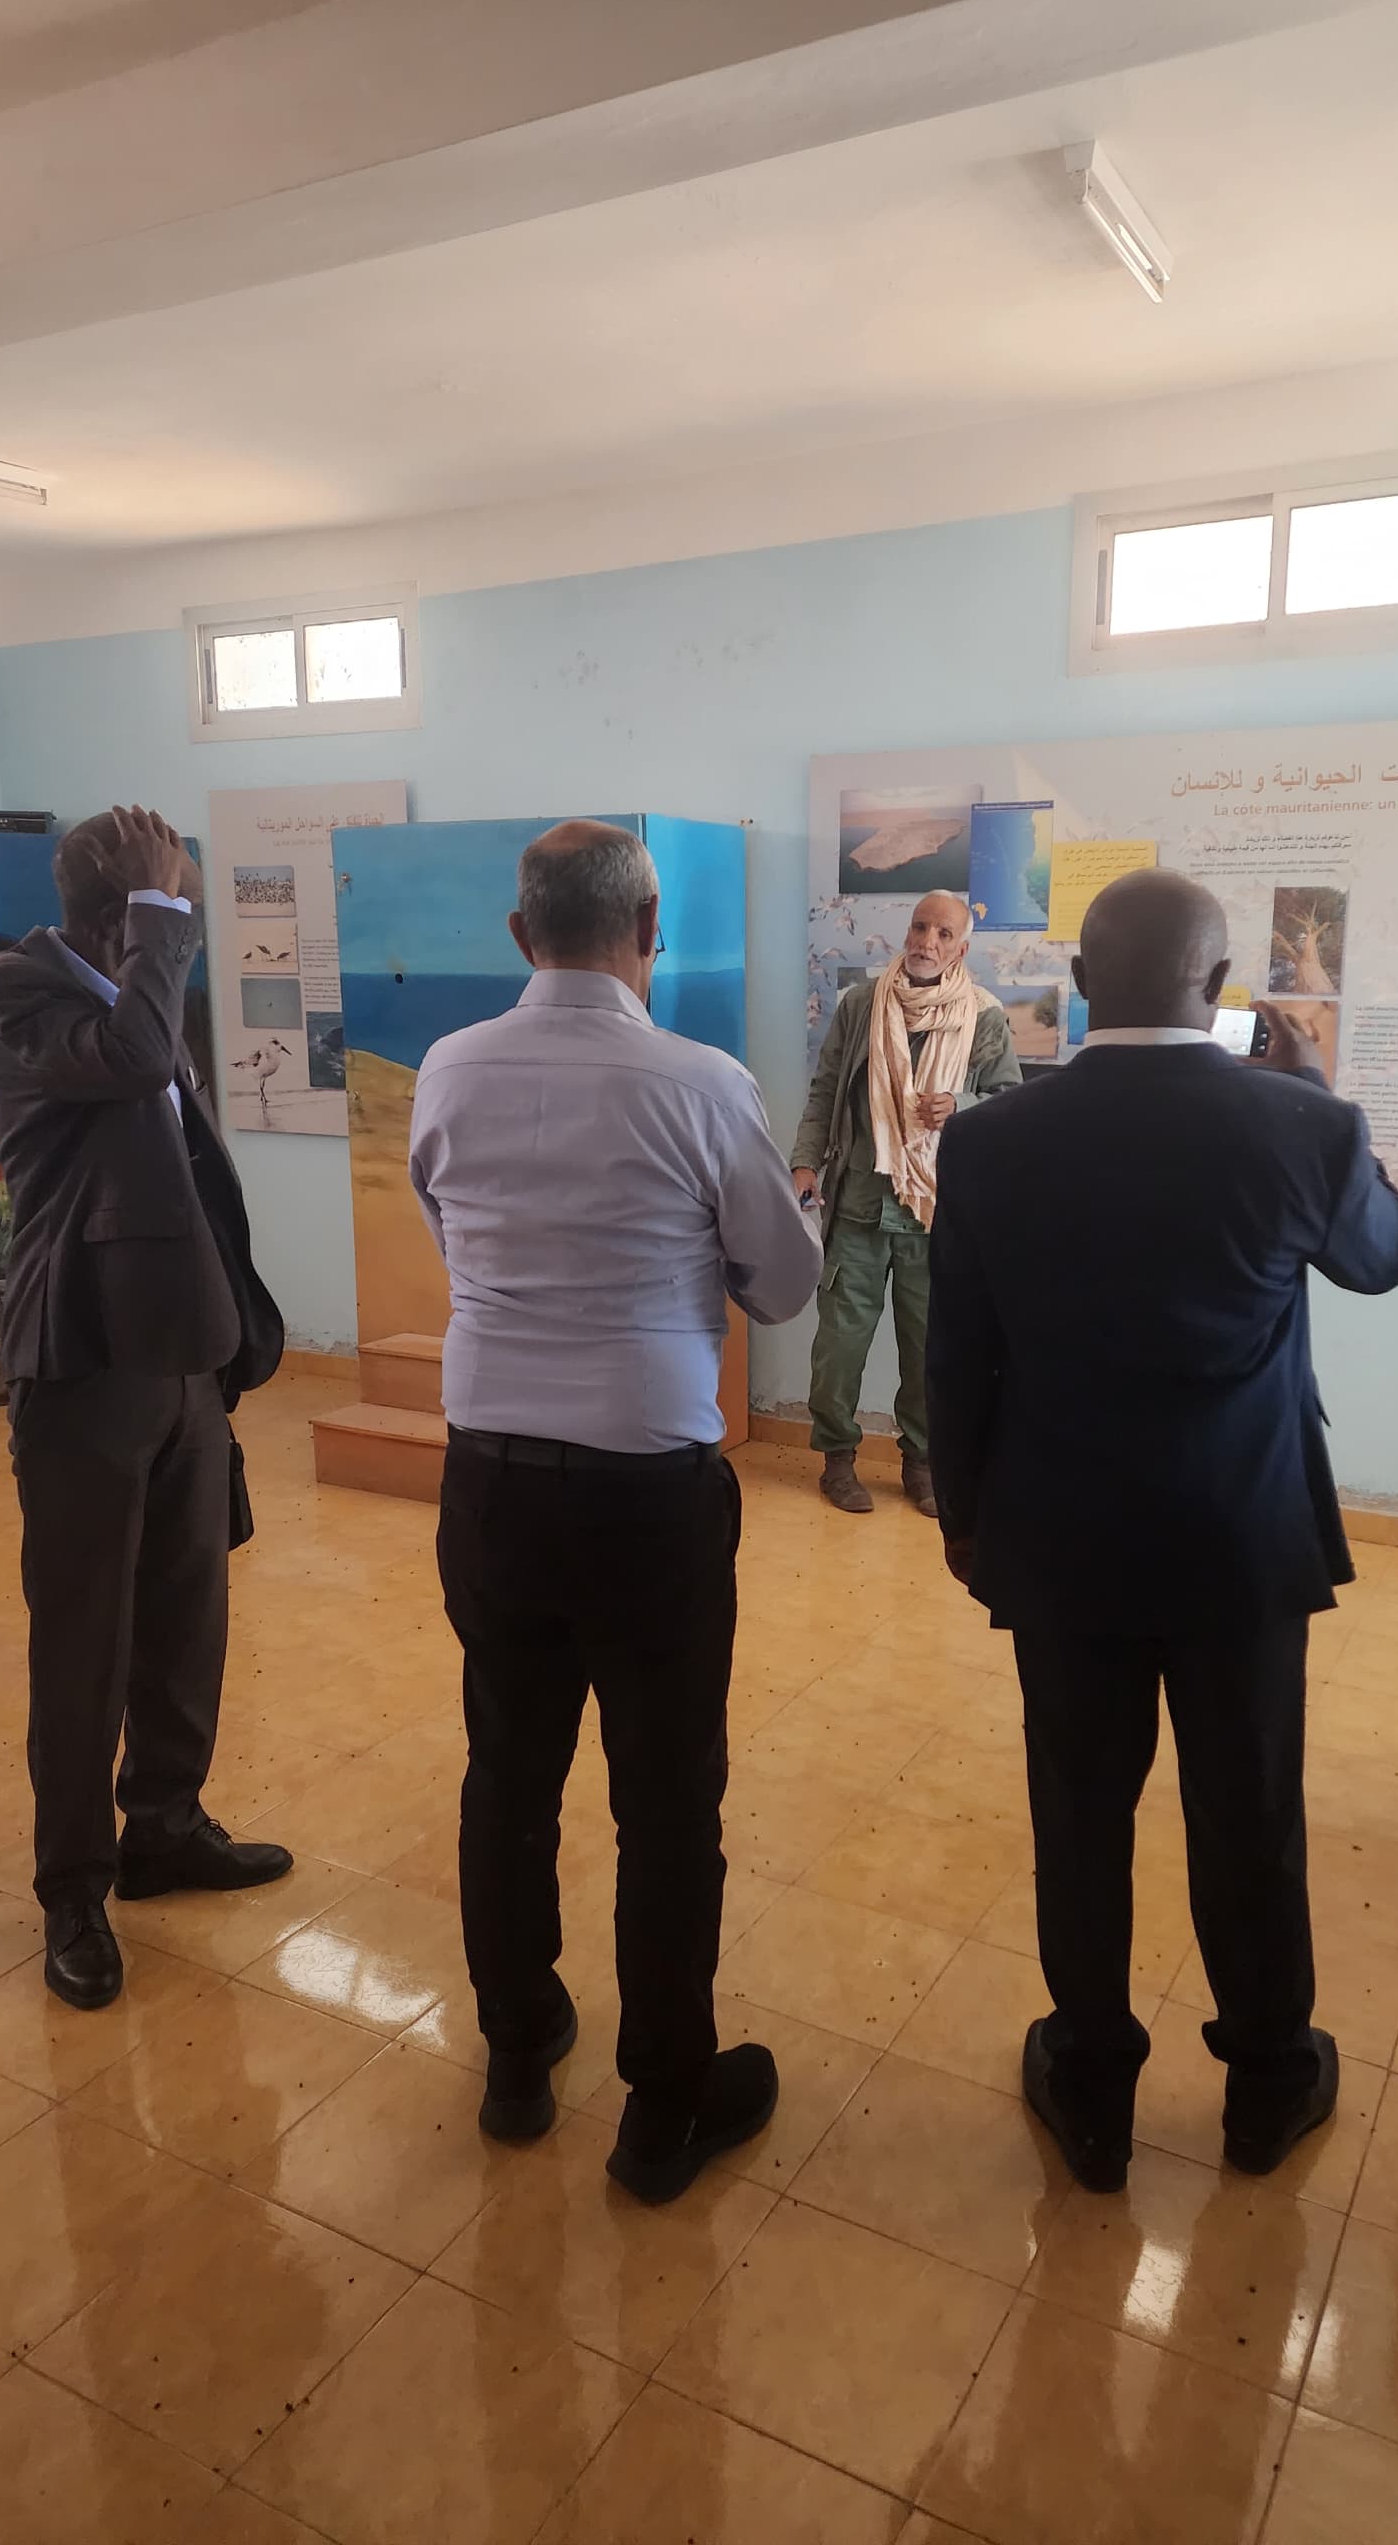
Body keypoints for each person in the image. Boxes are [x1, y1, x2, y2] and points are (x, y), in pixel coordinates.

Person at [927, 869, 1398, 2189]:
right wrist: (1323, 1102)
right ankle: (1267, 2080)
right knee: (1247, 1809)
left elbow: (955, 1354)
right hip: (1239, 1539)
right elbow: (1383, 1259)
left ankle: (1090, 2083)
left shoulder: (990, 1141)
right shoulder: (1294, 1128)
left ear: (1080, 989)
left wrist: (965, 1519)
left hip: (1060, 1537)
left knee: (1078, 1813)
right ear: (1218, 993)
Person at [409, 819, 822, 2202]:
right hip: (650, 1495)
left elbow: (450, 1231)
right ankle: (665, 2108)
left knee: (507, 1777)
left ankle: (518, 2058)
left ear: (521, 939)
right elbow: (781, 1287)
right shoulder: (703, 1084)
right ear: (653, 933)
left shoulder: (448, 1070)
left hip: (493, 1483)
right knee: (665, 1802)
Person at [0, 807, 290, 2012]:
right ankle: (72, 1890)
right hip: (83, 1358)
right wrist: (164, 928)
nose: (188, 928)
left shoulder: (135, 986)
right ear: (126, 910)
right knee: (83, 1637)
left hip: (182, 1354)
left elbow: (184, 1148)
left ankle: (164, 1823)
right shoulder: (14, 986)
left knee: (184, 1611)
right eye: (176, 907)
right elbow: (139, 1061)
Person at [792, 892, 1022, 1516]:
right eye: (920, 927)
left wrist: (962, 1108)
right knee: (838, 1349)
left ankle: (921, 1463)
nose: (927, 941)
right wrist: (805, 1162)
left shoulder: (984, 1016)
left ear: (961, 947)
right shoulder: (863, 1005)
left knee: (930, 1352)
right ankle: (838, 1460)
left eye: (943, 933)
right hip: (860, 1208)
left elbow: (1009, 1106)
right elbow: (825, 1092)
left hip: (934, 1215)